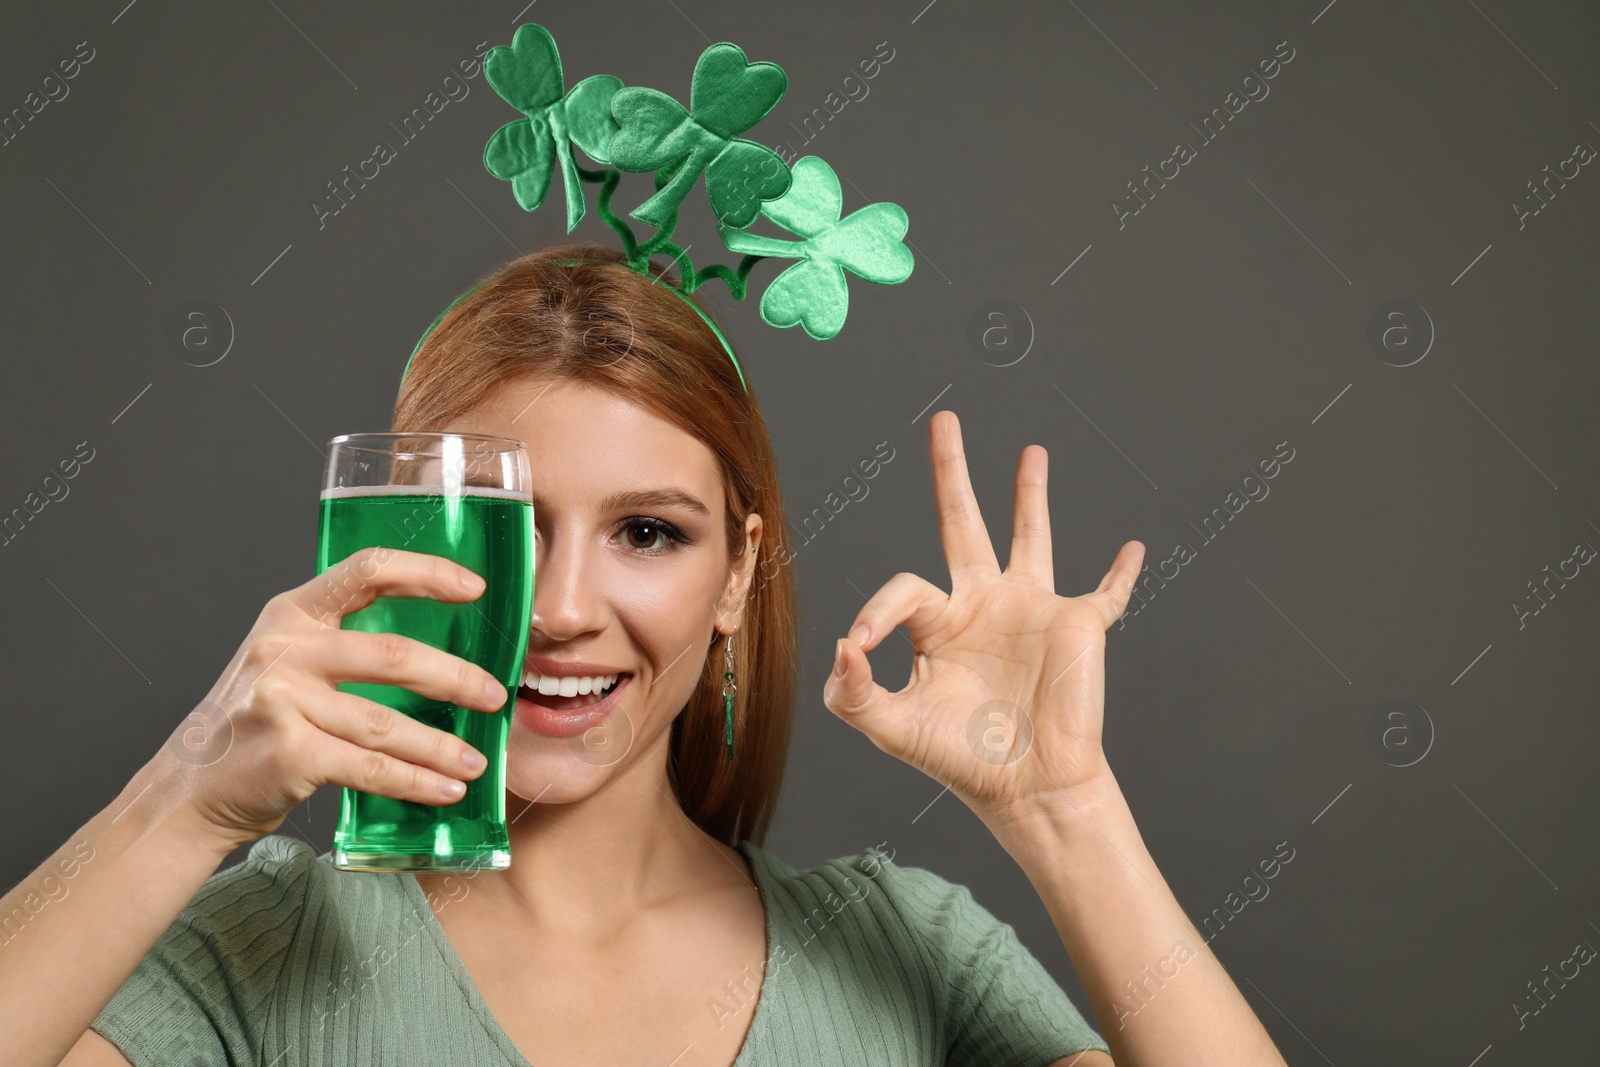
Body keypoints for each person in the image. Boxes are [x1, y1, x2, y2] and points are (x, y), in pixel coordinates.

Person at [4, 246, 1287, 1067]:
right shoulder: (261, 944)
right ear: (398, 545)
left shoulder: (902, 947)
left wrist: (1067, 813)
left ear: (735, 574)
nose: (561, 607)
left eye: (646, 532)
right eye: (506, 532)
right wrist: (188, 790)